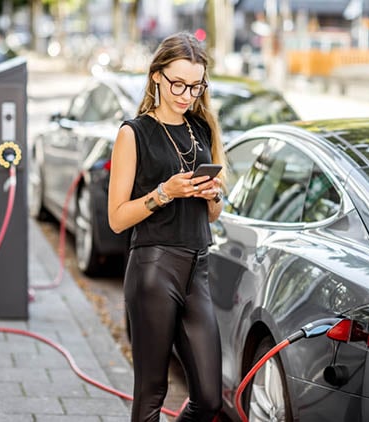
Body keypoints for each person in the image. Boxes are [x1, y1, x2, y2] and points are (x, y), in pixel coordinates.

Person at [108, 32, 226, 422]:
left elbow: (212, 216)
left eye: (195, 86)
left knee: (209, 398)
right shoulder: (134, 133)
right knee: (151, 392)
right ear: (157, 76)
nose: (186, 94)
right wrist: (164, 192)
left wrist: (212, 197)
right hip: (154, 268)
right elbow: (117, 218)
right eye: (178, 83)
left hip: (199, 267)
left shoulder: (202, 130)